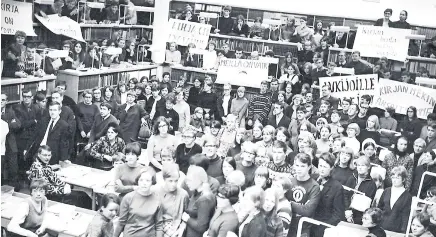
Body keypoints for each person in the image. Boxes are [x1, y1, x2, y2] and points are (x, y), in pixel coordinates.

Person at [114, 171, 163, 237]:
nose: (144, 183)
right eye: (141, 180)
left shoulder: (157, 200)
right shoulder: (128, 198)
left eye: (147, 181)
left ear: (152, 182)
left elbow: (159, 225)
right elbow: (121, 222)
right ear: (138, 181)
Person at [312, 152, 346, 237]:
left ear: (331, 167)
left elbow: (338, 215)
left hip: (321, 228)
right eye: (320, 166)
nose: (322, 169)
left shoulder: (337, 187)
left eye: (325, 167)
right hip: (306, 224)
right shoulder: (312, 179)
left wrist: (322, 228)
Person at [153, 163, 189, 237]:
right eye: (170, 181)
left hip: (176, 228)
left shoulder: (183, 194)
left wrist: (182, 228)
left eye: (176, 181)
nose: (173, 184)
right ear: (164, 179)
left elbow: (186, 214)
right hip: (158, 227)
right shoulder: (156, 191)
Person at [182, 165, 217, 237]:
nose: (187, 183)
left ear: (199, 180)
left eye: (190, 180)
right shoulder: (196, 192)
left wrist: (187, 218)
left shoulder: (204, 199)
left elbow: (201, 227)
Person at [377, 166, 412, 233]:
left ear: (403, 179)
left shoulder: (407, 196)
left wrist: (403, 233)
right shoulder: (386, 191)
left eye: (397, 178)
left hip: (395, 230)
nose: (394, 180)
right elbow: (379, 208)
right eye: (393, 177)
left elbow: (405, 216)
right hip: (381, 227)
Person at [344, 156, 377, 225]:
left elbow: (365, 205)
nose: (360, 167)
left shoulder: (372, 184)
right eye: (358, 165)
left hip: (358, 217)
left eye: (363, 165)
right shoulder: (352, 178)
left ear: (368, 167)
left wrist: (351, 214)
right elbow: (345, 194)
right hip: (345, 212)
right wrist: (347, 210)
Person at [1, 94, 20, 189]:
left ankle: (15, 190)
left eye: (3, 100)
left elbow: (18, 125)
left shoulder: (11, 112)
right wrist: (9, 123)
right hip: (1, 145)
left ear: (6, 101)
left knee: (13, 170)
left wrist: (5, 125)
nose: (0, 101)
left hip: (10, 144)